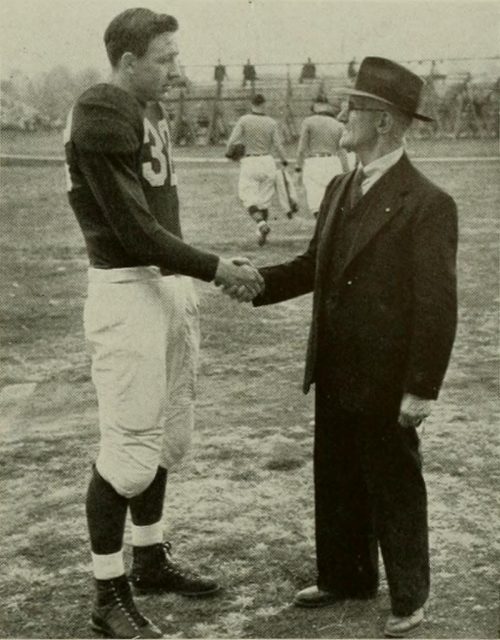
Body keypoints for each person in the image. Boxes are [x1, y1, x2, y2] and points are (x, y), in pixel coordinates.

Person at [224, 57, 458, 638]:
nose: (342, 115)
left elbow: (437, 305)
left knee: (394, 483)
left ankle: (409, 594)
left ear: (383, 122)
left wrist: (421, 387)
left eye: (354, 108)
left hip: (386, 377)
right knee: (337, 475)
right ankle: (346, 576)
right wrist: (254, 282)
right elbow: (313, 267)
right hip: (334, 367)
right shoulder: (337, 186)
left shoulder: (428, 202)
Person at [64, 8, 263, 639]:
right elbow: (132, 231)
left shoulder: (148, 108)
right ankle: (107, 590)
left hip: (163, 285)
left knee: (170, 432)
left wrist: (194, 272)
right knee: (127, 446)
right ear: (127, 62)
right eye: (164, 58)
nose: (175, 68)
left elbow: (156, 226)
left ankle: (149, 557)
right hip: (127, 290)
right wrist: (214, 267)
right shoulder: (102, 108)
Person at [225, 93, 288, 245]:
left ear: (251, 103)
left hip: (251, 160)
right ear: (264, 104)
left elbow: (232, 140)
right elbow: (278, 145)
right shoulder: (271, 122)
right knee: (264, 202)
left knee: (248, 198)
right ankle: (261, 232)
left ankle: (260, 224)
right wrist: (284, 161)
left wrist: (228, 153)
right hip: (267, 160)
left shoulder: (244, 120)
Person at [295, 97, 350, 217]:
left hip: (314, 162)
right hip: (334, 162)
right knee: (332, 201)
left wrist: (298, 168)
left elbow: (301, 148)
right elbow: (342, 152)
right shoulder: (338, 124)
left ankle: (323, 232)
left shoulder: (308, 121)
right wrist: (347, 173)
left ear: (316, 106)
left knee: (316, 204)